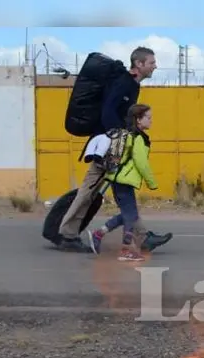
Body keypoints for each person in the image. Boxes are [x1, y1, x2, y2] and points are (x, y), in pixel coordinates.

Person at [57, 46, 171, 253]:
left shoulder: (133, 86)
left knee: (122, 192)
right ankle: (67, 234)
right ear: (139, 64)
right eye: (152, 62)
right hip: (108, 147)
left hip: (116, 146)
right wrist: (118, 138)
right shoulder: (123, 83)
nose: (155, 66)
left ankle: (142, 237)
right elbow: (107, 111)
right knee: (89, 192)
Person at [87, 104, 157, 262]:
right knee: (131, 215)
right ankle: (126, 250)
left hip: (119, 180)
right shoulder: (138, 138)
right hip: (123, 181)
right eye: (148, 118)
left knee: (128, 214)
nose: (151, 121)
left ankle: (99, 234)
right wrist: (151, 182)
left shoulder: (130, 134)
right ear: (138, 120)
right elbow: (141, 163)